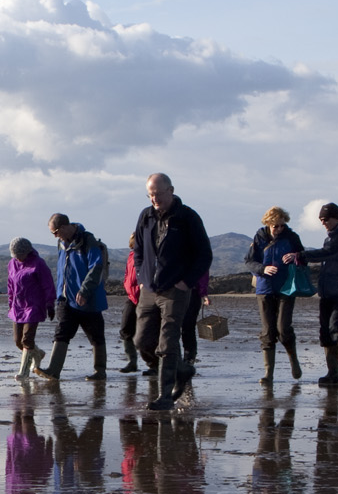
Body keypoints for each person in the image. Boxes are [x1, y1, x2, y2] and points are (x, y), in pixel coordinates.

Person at [128, 173, 212, 409]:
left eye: (158, 194)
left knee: (168, 343)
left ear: (171, 190)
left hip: (176, 289)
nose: (154, 198)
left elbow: (204, 254)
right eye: (150, 194)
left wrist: (187, 282)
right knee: (142, 341)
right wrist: (142, 278)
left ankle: (165, 396)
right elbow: (139, 251)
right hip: (149, 289)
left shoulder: (187, 217)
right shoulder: (145, 216)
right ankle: (183, 370)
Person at [284, 202, 338, 385]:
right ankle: (332, 373)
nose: (323, 223)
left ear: (336, 217)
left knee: (337, 327)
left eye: (325, 219)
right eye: (320, 220)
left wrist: (301, 256)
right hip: (327, 292)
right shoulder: (331, 236)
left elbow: (329, 253)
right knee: (325, 332)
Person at [42, 213, 110, 381]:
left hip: (88, 299)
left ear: (64, 227)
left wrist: (85, 290)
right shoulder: (61, 243)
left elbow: (96, 267)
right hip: (66, 299)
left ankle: (100, 371)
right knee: (62, 332)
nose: (55, 236)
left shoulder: (88, 241)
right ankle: (53, 370)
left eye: (55, 232)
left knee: (96, 335)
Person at [246, 206, 308, 383]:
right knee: (268, 331)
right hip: (264, 288)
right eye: (275, 226)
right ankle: (269, 374)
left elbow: (304, 257)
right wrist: (263, 269)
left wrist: (296, 256)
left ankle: (293, 360)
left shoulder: (292, 237)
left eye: (282, 225)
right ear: (268, 224)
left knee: (283, 329)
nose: (279, 229)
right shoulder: (259, 237)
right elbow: (249, 261)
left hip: (286, 288)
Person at [5, 238, 54, 379]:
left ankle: (24, 372)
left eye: (20, 255)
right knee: (18, 340)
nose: (18, 258)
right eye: (15, 255)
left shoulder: (39, 264)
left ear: (27, 252)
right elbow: (10, 285)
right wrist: (10, 303)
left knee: (27, 339)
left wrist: (49, 304)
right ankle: (38, 354)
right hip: (17, 307)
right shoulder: (12, 264)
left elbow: (48, 285)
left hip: (34, 306)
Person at [118, 234, 142, 374]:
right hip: (131, 297)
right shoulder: (131, 256)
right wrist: (127, 285)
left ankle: (154, 365)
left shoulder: (148, 256)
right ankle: (131, 361)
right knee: (125, 328)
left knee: (149, 332)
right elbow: (128, 274)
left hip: (144, 297)